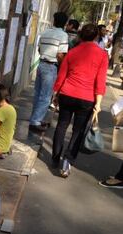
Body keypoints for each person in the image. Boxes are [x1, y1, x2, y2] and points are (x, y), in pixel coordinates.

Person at [51, 24, 108, 177]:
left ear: (81, 35)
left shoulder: (73, 52)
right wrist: (98, 103)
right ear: (96, 36)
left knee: (62, 125)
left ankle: (55, 158)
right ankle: (66, 163)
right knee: (78, 131)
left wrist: (56, 94)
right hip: (87, 99)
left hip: (67, 93)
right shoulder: (102, 55)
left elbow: (61, 75)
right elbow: (100, 81)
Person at [29, 12, 69, 133]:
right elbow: (60, 54)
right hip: (51, 66)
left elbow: (40, 49)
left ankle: (35, 119)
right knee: (46, 96)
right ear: (65, 23)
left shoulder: (45, 32)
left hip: (41, 64)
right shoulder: (63, 35)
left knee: (38, 94)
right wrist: (63, 68)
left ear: (54, 20)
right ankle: (35, 122)